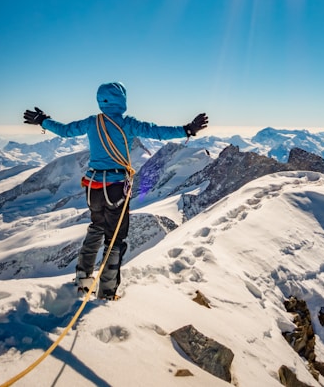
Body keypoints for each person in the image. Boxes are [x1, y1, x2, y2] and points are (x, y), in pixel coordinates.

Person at [24, 81, 208, 300]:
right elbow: (158, 132)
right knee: (115, 240)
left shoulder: (92, 122)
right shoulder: (128, 124)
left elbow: (65, 131)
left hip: (93, 186)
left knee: (96, 227)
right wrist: (187, 129)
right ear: (122, 100)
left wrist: (44, 120)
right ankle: (107, 292)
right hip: (116, 188)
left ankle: (83, 276)